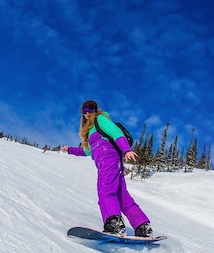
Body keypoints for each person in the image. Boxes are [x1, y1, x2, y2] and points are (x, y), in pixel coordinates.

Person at [62, 100, 153, 237]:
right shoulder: (90, 132)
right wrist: (69, 150)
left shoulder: (100, 119)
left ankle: (114, 222)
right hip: (110, 162)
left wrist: (126, 149)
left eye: (89, 109)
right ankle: (142, 226)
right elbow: (87, 151)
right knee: (121, 196)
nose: (86, 113)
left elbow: (116, 132)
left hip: (108, 159)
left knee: (105, 189)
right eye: (83, 110)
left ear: (94, 110)